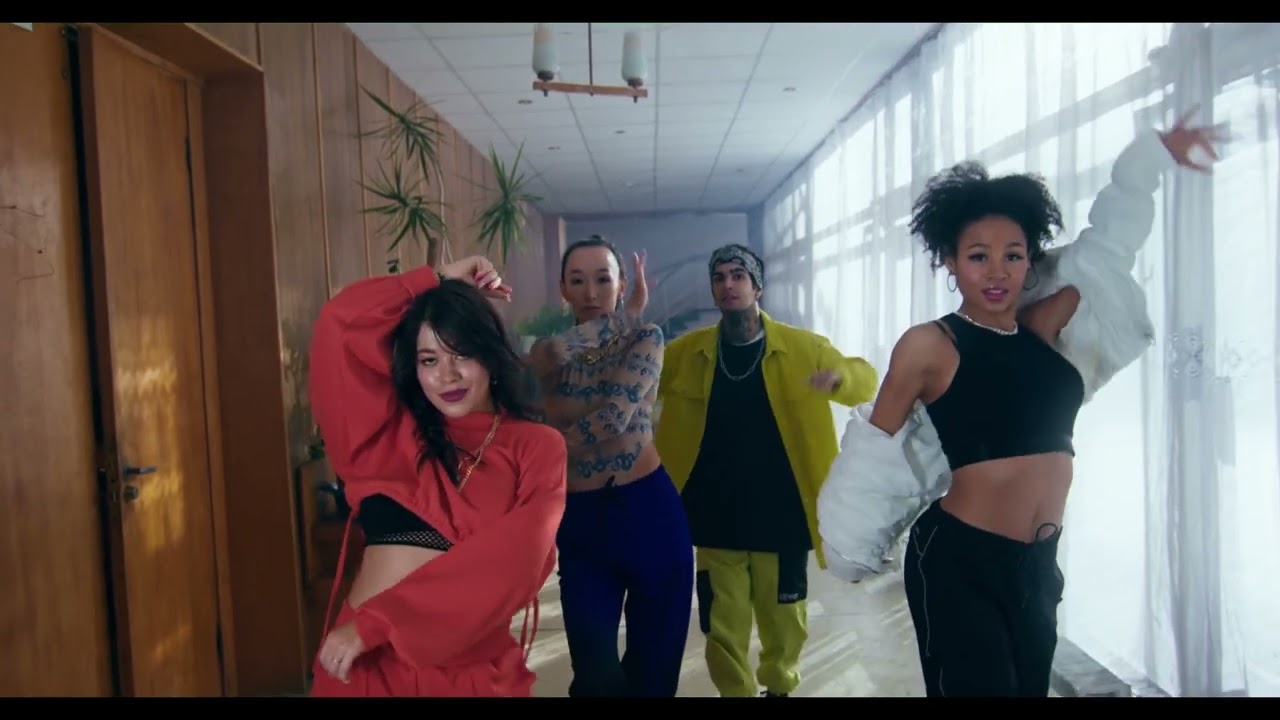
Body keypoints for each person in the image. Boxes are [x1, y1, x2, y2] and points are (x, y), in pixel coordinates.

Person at [816, 108, 1225, 697]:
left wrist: (1150, 158)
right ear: (950, 261)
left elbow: (1107, 248)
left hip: (1037, 565)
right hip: (961, 561)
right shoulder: (930, 344)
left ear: (1031, 258)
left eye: (1013, 254)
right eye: (977, 255)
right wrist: (850, 545)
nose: (997, 270)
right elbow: (875, 450)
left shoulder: (1045, 324)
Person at [307, 255, 568, 697]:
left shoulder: (536, 445)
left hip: (466, 670)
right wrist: (437, 278)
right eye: (429, 359)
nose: (446, 375)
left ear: (490, 354)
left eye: (462, 354)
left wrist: (378, 624)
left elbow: (520, 556)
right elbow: (340, 323)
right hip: (365, 668)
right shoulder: (386, 433)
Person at [653, 243, 880, 698]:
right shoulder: (689, 352)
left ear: (758, 287)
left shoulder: (803, 348)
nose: (728, 284)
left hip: (784, 510)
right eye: (719, 277)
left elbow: (864, 378)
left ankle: (779, 687)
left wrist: (839, 379)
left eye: (738, 275)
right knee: (722, 622)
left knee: (785, 619)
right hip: (713, 511)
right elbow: (640, 375)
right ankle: (735, 692)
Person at [527, 235, 694, 697]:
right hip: (581, 523)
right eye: (577, 280)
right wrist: (626, 312)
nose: (590, 292)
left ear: (621, 285)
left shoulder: (645, 337)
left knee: (653, 677)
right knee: (594, 675)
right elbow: (526, 369)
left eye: (603, 279)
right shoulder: (546, 354)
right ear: (562, 288)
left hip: (649, 513)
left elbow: (615, 417)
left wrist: (544, 454)